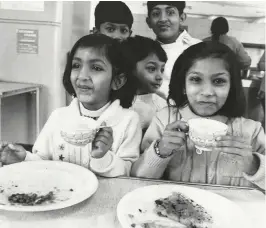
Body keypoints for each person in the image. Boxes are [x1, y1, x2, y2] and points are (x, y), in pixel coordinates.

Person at [0, 34, 142, 177]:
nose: (82, 76)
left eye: (96, 68)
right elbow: (42, 162)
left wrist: (103, 157)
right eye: (76, 66)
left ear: (118, 80)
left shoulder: (128, 120)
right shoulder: (59, 117)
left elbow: (127, 172)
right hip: (58, 196)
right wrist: (23, 159)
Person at [131, 42, 265, 189]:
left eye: (218, 81)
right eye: (196, 79)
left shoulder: (251, 131)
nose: (207, 92)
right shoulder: (164, 120)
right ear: (183, 86)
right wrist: (160, 151)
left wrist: (254, 165)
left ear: (231, 87)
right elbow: (137, 179)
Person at [146, 1, 201, 99]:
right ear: (148, 22)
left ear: (181, 18)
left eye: (170, 13)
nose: (162, 19)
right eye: (156, 14)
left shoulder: (200, 48)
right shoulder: (144, 53)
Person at [120, 35, 168, 132]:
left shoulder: (161, 102)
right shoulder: (120, 105)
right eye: (152, 69)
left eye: (162, 70)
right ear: (130, 68)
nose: (159, 76)